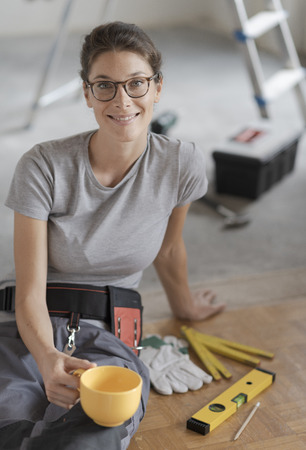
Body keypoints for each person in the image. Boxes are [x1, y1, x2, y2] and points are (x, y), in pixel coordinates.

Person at [0, 21, 225, 449]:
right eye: (105, 85)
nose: (122, 100)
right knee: (8, 424)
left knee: (91, 437)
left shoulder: (181, 164)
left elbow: (170, 247)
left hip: (111, 337)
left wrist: (186, 307)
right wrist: (48, 359)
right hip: (25, 331)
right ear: (87, 93)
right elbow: (29, 290)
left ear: (157, 88)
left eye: (136, 84)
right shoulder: (43, 165)